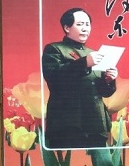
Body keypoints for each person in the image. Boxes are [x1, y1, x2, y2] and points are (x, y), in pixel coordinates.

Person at [42, 8, 118, 149]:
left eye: (87, 24)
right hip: (68, 125)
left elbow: (103, 92)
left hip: (96, 124)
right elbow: (55, 79)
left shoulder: (94, 54)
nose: (85, 28)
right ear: (67, 27)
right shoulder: (54, 49)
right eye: (80, 24)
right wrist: (84, 63)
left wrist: (109, 80)